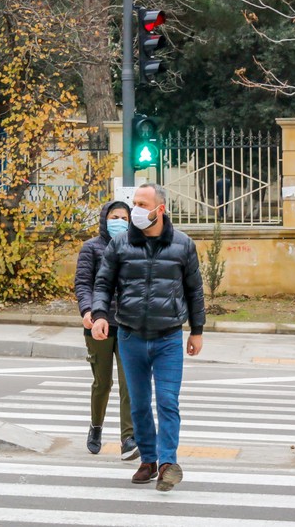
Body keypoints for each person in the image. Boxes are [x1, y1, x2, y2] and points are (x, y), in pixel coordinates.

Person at [91, 183, 205, 492]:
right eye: (134, 204)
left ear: (160, 209)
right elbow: (103, 284)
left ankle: (167, 463)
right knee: (139, 404)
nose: (135, 210)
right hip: (130, 336)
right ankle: (149, 460)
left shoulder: (183, 245)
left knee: (168, 402)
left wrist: (197, 330)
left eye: (142, 204)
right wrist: (100, 315)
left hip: (168, 338)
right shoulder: (121, 244)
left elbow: (194, 290)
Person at [74, 201, 138, 460]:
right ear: (104, 218)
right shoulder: (91, 248)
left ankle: (128, 438)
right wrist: (87, 311)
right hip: (97, 325)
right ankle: (96, 427)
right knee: (103, 382)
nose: (119, 221)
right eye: (114, 216)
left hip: (127, 325)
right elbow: (83, 283)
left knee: (129, 384)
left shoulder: (135, 247)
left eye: (124, 217)